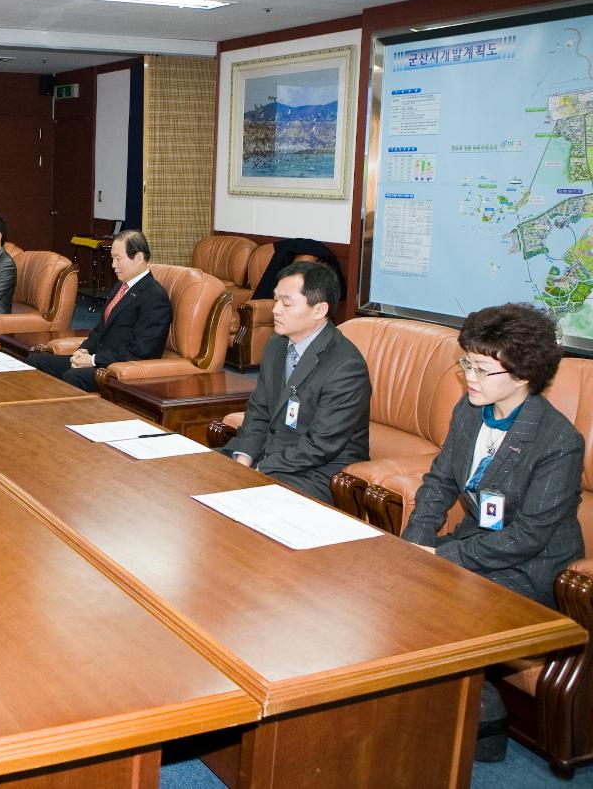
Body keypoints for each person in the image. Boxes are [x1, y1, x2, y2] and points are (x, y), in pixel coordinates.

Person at [401, 303, 584, 761]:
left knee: (432, 603)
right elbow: (441, 479)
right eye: (465, 363)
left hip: (530, 571)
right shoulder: (470, 410)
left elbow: (526, 538)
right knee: (392, 583)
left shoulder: (558, 442)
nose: (468, 378)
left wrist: (440, 559)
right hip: (475, 546)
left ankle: (486, 720)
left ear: (522, 375)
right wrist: (415, 543)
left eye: (481, 369)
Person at [221, 261, 370, 501]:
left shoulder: (345, 366)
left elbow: (320, 445)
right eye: (276, 299)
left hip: (316, 472)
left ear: (319, 310)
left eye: (287, 303)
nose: (275, 309)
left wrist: (259, 471)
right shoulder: (276, 346)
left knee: (244, 500)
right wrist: (243, 459)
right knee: (199, 470)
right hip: (269, 457)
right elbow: (259, 410)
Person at [25, 229, 171, 392]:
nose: (113, 265)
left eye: (118, 258)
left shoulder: (154, 297)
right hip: (98, 358)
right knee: (35, 361)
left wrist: (93, 360)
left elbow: (141, 350)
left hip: (119, 369)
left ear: (138, 258)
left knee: (73, 377)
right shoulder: (120, 287)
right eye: (112, 259)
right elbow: (100, 329)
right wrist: (84, 350)